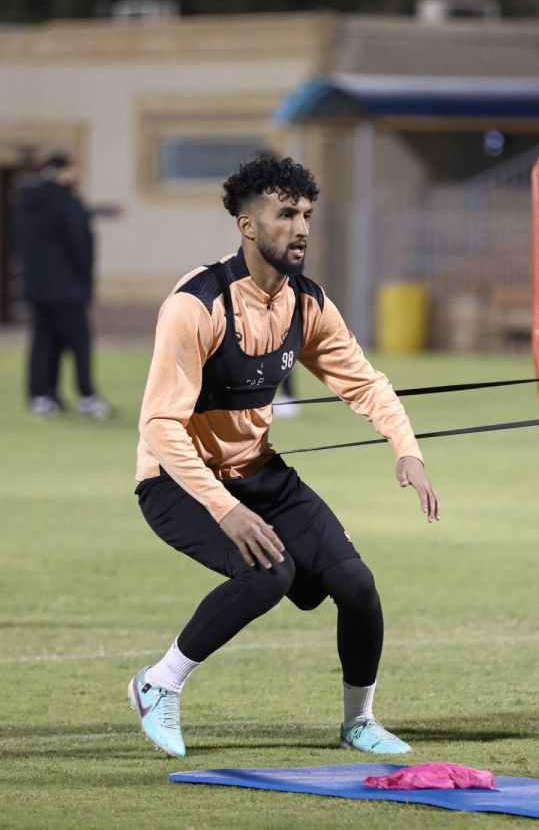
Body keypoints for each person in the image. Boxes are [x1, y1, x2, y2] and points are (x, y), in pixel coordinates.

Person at [128, 156, 440, 758]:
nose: (301, 228)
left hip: (261, 473)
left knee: (356, 584)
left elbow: (367, 384)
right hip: (177, 480)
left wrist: (407, 450)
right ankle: (157, 684)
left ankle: (358, 723)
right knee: (269, 573)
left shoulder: (307, 305)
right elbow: (160, 426)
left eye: (307, 215)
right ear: (247, 225)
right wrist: (224, 510)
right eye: (285, 214)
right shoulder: (197, 305)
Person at [18, 153, 111, 418]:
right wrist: (85, 277)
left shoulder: (28, 201)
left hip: (37, 288)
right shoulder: (67, 202)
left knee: (44, 341)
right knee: (79, 342)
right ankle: (87, 396)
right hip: (67, 287)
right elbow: (79, 244)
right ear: (63, 171)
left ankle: (43, 395)